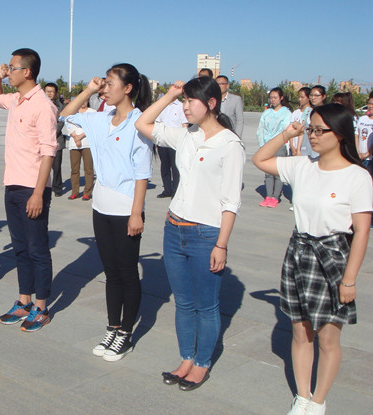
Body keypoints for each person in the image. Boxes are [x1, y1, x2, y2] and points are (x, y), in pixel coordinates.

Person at [252, 103, 372, 415]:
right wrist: (286, 134)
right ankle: (302, 396)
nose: (313, 136)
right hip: (299, 252)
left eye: (320, 130)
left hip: (332, 257)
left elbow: (361, 232)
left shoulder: (357, 176)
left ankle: (319, 401)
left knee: (329, 338)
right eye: (310, 129)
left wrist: (349, 280)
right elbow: (259, 159)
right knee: (301, 333)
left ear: (340, 134)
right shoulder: (303, 165)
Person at [135, 77, 245, 391]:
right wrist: (170, 95)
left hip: (206, 234)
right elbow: (143, 123)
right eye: (183, 101)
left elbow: (231, 201)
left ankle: (201, 363)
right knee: (183, 303)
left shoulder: (230, 145)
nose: (184, 107)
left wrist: (221, 244)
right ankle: (186, 359)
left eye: (190, 100)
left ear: (211, 103)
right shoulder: (185, 134)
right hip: (174, 229)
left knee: (206, 305)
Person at [60, 63, 153, 361]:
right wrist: (88, 89)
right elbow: (64, 115)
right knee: (111, 273)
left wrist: (136, 213)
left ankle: (126, 332)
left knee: (127, 273)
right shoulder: (101, 118)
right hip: (101, 206)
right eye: (104, 83)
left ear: (128, 88)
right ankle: (112, 327)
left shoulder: (139, 122)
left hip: (126, 208)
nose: (105, 89)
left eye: (111, 83)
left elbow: (142, 174)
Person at [0, 48, 58, 332]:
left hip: (32, 187)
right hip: (13, 184)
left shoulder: (43, 105)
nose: (9, 72)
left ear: (27, 72)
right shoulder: (15, 99)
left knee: (37, 249)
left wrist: (38, 194)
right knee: (20, 248)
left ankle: (41, 307)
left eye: (13, 68)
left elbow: (48, 152)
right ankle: (24, 301)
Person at [256, 87, 291, 208]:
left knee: (277, 173)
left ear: (281, 98)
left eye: (275, 97)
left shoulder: (286, 113)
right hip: (266, 145)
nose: (273, 100)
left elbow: (286, 129)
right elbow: (260, 129)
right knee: (268, 173)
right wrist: (262, 144)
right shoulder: (267, 113)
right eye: (271, 97)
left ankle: (275, 197)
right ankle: (268, 196)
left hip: (279, 146)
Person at [155, 98, 187, 198]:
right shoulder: (162, 106)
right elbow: (158, 122)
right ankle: (167, 190)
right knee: (164, 166)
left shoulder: (180, 106)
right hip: (163, 141)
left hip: (175, 142)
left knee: (175, 166)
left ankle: (175, 191)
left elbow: (184, 124)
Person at [63, 98, 95, 200]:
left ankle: (87, 192)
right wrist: (75, 136)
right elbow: (68, 124)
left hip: (87, 143)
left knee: (88, 169)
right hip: (74, 144)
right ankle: (75, 192)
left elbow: (92, 126)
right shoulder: (73, 112)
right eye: (81, 100)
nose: (83, 102)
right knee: (74, 169)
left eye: (85, 100)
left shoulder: (92, 112)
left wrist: (80, 136)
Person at [44, 83, 66, 197]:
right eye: (47, 91)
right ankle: (43, 186)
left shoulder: (60, 106)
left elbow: (61, 122)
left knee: (56, 167)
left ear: (56, 93)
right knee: (42, 167)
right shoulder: (39, 104)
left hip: (57, 140)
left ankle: (57, 188)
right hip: (42, 141)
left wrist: (50, 133)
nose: (49, 93)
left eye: (51, 91)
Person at [289, 87, 312, 156]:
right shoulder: (296, 113)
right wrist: (292, 147)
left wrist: (299, 149)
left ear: (308, 98)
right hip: (294, 148)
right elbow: (290, 130)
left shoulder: (311, 112)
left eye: (302, 97)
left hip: (305, 148)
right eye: (299, 97)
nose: (300, 99)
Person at [356, 95, 373, 176]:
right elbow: (356, 135)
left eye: (372, 104)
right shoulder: (362, 119)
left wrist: (367, 154)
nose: (370, 106)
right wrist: (358, 152)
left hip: (370, 159)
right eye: (369, 103)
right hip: (359, 157)